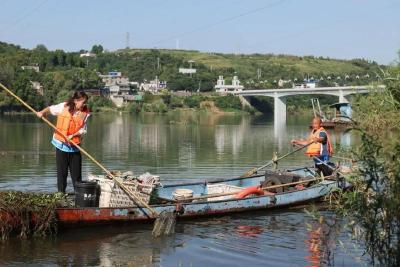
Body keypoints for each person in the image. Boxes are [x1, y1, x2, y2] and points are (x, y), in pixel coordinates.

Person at [37, 91, 90, 193]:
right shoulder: (63, 107)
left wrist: (73, 135)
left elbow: (83, 130)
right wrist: (42, 112)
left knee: (77, 175)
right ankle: (61, 195)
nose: (84, 105)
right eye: (82, 102)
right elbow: (50, 109)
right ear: (75, 101)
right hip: (61, 145)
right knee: (62, 173)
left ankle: (78, 196)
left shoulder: (85, 113)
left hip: (75, 146)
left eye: (85, 102)